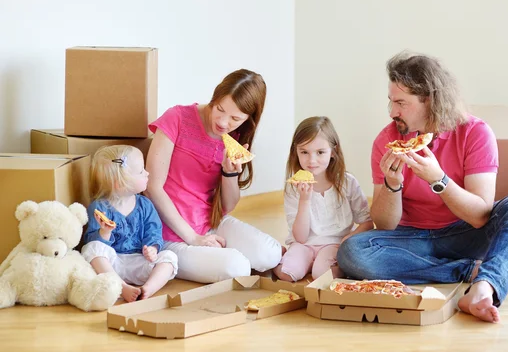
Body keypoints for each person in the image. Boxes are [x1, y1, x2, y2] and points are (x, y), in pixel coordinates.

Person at [336, 51, 508, 323]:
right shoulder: (387, 140)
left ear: (429, 100)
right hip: (410, 239)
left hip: (465, 233)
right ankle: (468, 271)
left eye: (401, 103)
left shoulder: (475, 133)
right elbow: (384, 225)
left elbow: (480, 215)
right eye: (391, 102)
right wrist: (392, 185)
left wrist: (438, 180)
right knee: (352, 252)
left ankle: (484, 287)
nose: (393, 112)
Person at [145, 69, 282, 284]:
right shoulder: (177, 118)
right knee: (238, 267)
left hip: (210, 224)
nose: (224, 122)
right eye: (220, 109)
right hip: (169, 235)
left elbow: (227, 205)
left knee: (271, 254)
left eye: (235, 118)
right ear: (215, 97)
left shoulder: (234, 138)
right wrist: (193, 238)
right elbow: (152, 187)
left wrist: (230, 173)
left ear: (248, 119)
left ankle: (215, 254)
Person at [273, 116, 373, 282]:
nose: (312, 161)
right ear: (295, 152)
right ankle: (281, 261)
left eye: (320, 152)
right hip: (303, 244)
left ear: (333, 152)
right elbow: (301, 237)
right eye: (304, 152)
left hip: (334, 244)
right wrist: (304, 200)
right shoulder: (293, 187)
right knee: (288, 274)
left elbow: (367, 222)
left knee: (321, 275)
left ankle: (315, 265)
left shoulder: (347, 182)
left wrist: (348, 239)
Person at [82, 145, 178, 302]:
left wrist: (152, 248)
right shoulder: (99, 208)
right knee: (91, 249)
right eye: (141, 171)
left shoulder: (145, 204)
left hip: (139, 261)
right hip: (110, 265)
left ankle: (147, 289)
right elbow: (92, 243)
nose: (147, 173)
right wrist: (104, 233)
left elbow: (153, 231)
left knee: (169, 257)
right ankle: (120, 287)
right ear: (120, 184)